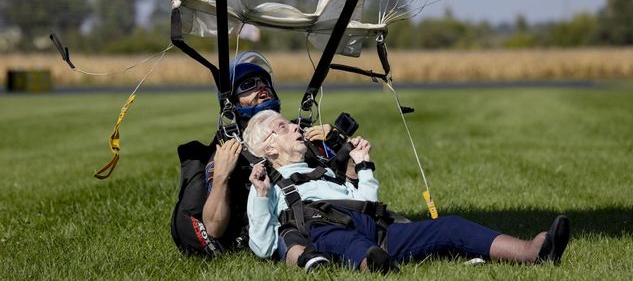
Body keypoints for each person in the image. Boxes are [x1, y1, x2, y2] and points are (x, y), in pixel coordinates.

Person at [243, 110, 571, 273]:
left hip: (375, 228)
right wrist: (260, 195)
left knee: (451, 225)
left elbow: (368, 204)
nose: (296, 127)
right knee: (349, 242)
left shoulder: (325, 168)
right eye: (282, 127)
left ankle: (531, 251)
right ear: (268, 147)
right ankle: (378, 267)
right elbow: (261, 245)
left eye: (291, 123)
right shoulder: (267, 182)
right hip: (325, 230)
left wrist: (364, 165)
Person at [200, 53, 331, 270]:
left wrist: (333, 142)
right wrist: (221, 178)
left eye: (264, 82)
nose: (261, 87)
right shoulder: (229, 150)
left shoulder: (297, 134)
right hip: (285, 231)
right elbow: (213, 229)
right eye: (248, 85)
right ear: (231, 102)